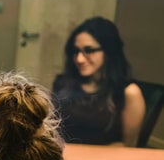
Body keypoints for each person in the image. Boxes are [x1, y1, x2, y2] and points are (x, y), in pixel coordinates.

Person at [52, 16, 146, 146]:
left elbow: (128, 146)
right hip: (64, 158)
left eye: (89, 50)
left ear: (109, 51)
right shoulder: (63, 83)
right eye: (76, 51)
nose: (79, 59)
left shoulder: (129, 92)